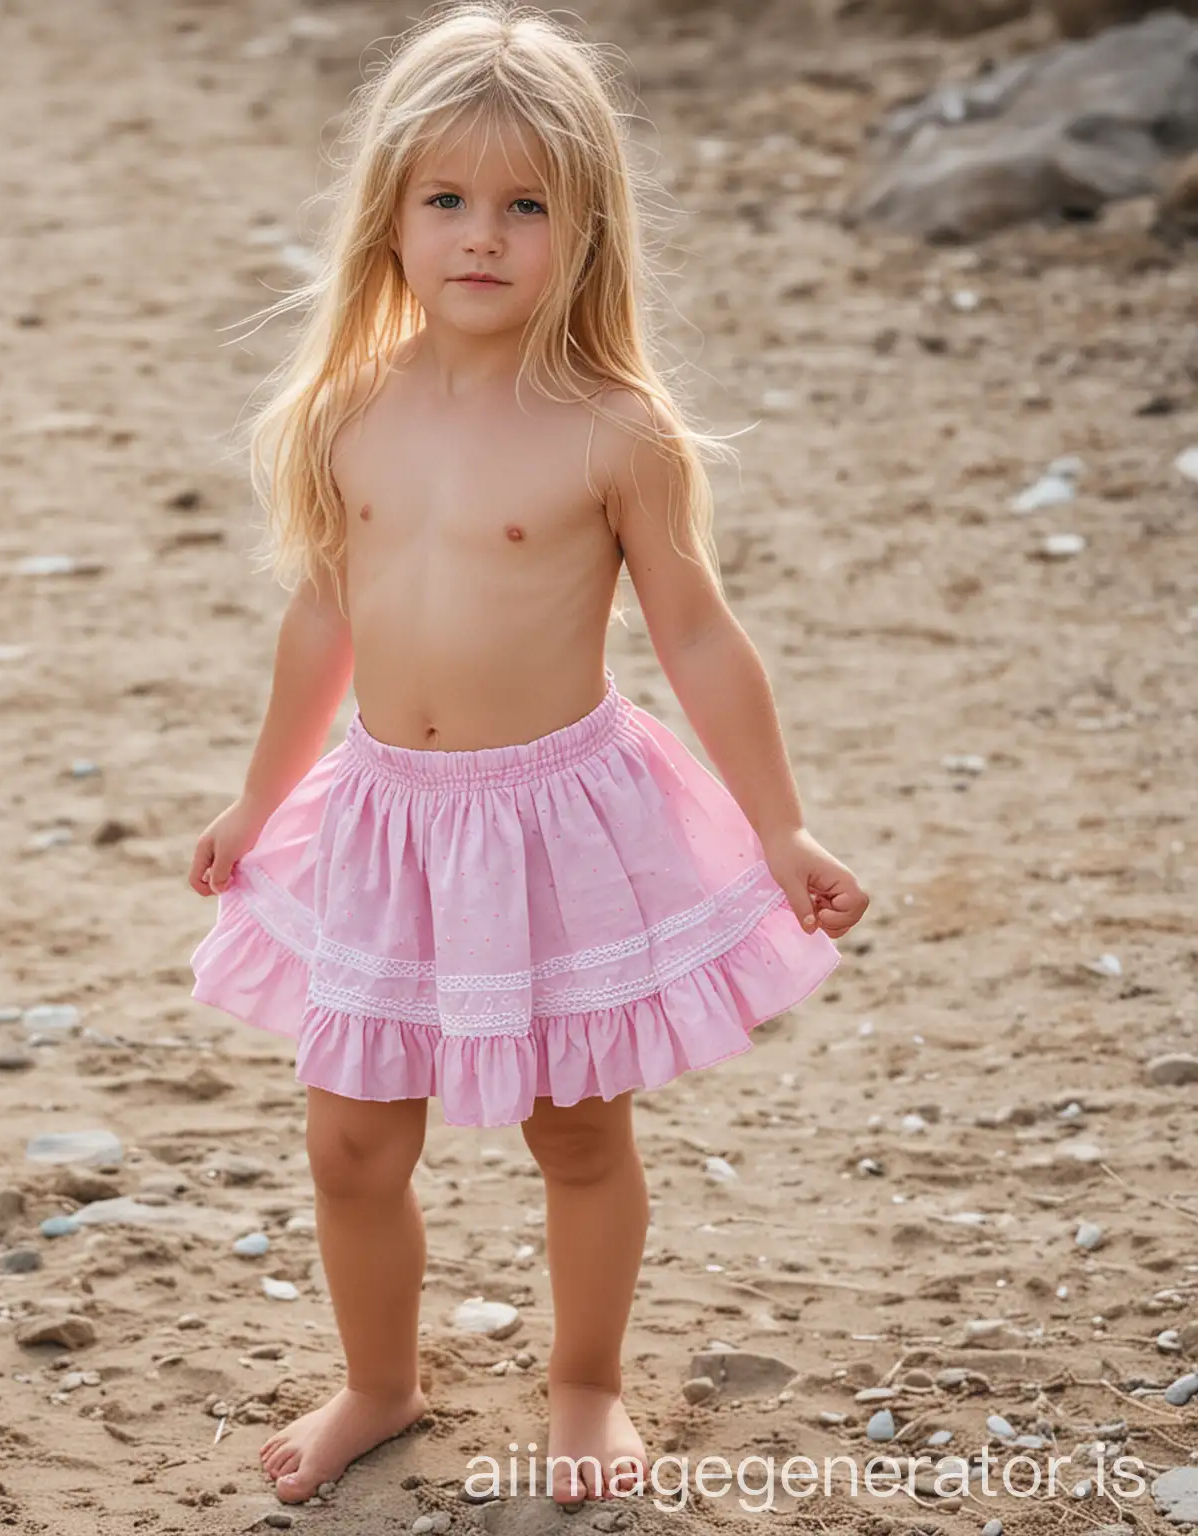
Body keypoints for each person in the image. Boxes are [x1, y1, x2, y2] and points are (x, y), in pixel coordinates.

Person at [186, 0, 870, 1508]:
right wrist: (261, 792)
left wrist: (781, 828)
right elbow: (322, 622)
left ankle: (586, 1385)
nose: (479, 236)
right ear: (390, 215)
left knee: (575, 1126)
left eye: (523, 206)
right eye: (446, 200)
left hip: (551, 821)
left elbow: (697, 635)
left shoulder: (613, 429)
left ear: (587, 228)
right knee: (352, 1143)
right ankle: (378, 1380)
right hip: (382, 816)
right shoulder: (346, 407)